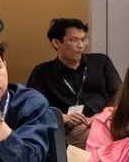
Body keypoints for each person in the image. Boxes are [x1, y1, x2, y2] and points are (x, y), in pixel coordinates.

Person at [26, 18, 122, 149]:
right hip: (69, 129)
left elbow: (119, 92)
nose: (81, 45)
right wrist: (62, 116)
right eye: (74, 40)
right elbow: (33, 107)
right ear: (56, 43)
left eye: (83, 39)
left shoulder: (100, 62)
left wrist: (102, 115)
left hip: (104, 121)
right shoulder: (43, 72)